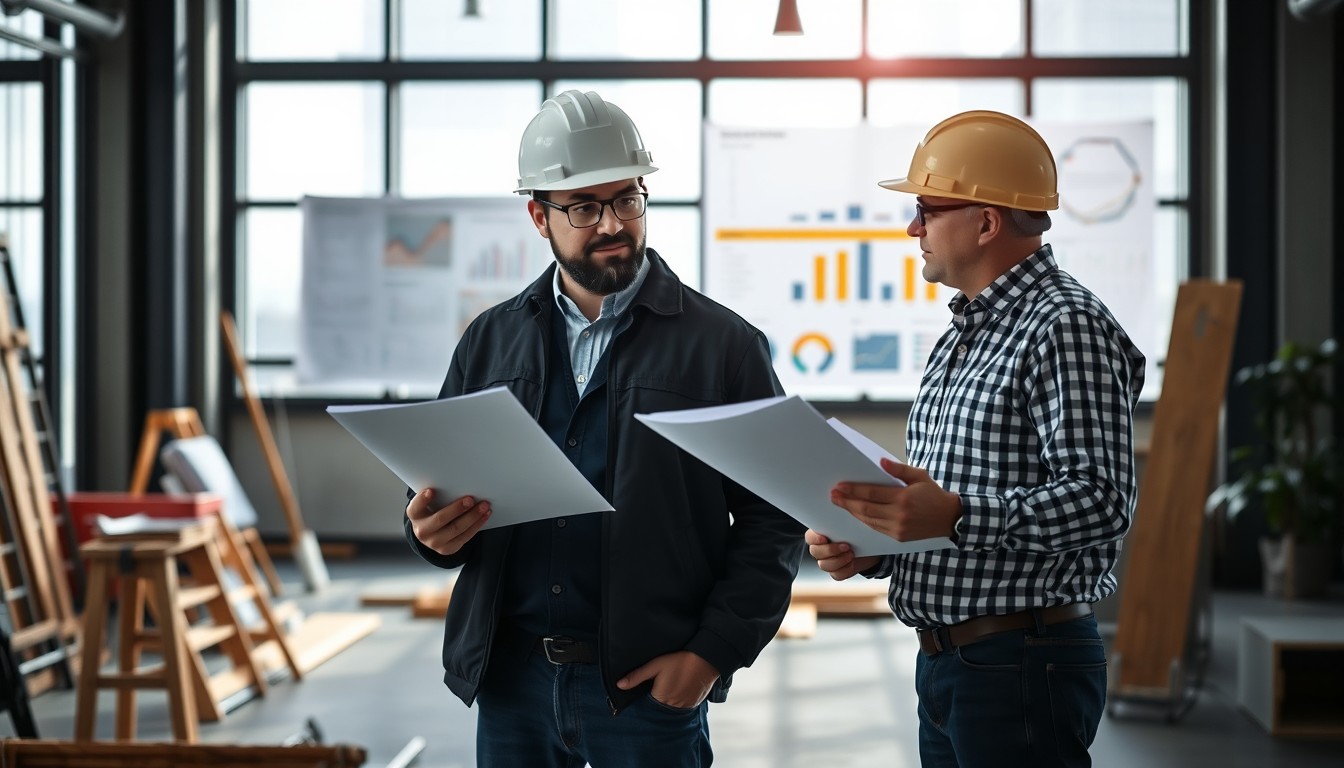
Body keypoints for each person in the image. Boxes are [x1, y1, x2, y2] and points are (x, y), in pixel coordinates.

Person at [403, 89, 805, 768]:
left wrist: (711, 655)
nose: (613, 223)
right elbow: (437, 488)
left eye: (626, 199)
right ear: (539, 215)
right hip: (510, 683)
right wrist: (428, 534)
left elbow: (776, 518)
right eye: (585, 207)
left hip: (646, 688)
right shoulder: (490, 341)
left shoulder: (724, 347)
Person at [807, 110, 1146, 768]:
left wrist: (958, 514)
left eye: (927, 209)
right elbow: (940, 506)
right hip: (951, 663)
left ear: (986, 221)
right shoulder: (965, 333)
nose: (912, 229)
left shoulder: (1064, 325)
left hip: (1019, 663)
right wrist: (872, 545)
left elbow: (1103, 501)